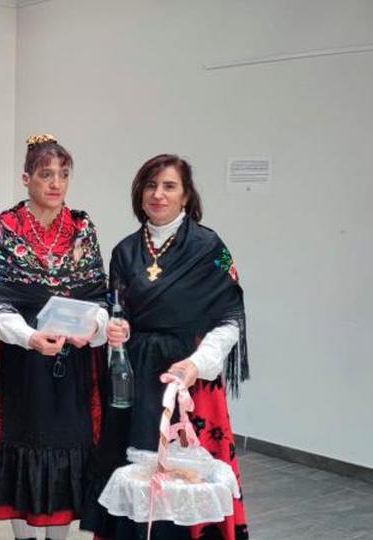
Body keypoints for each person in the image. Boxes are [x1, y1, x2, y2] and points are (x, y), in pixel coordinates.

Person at [80, 154, 250, 540]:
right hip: (136, 379)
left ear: (186, 195)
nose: (158, 194)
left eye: (169, 186)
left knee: (184, 477)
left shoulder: (212, 248)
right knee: (134, 472)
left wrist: (196, 364)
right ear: (139, 194)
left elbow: (230, 319)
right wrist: (115, 328)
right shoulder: (124, 250)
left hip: (188, 380)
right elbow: (115, 309)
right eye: (150, 186)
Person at [0, 134, 113, 540]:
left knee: (69, 446)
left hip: (73, 361)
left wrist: (94, 328)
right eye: (46, 175)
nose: (56, 184)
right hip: (22, 359)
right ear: (26, 178)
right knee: (22, 444)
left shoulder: (82, 227)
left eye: (64, 175)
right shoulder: (7, 226)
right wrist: (29, 337)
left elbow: (96, 292)